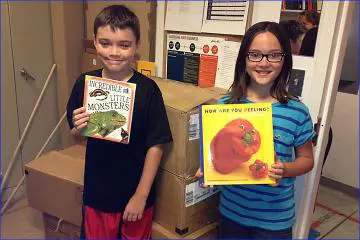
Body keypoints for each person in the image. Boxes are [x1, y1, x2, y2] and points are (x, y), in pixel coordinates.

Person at [196, 21, 315, 239]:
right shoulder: (225, 106)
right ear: (244, 59)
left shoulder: (297, 111)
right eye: (255, 55)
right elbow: (216, 154)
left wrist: (285, 169)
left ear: (284, 59)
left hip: (275, 220)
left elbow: (307, 159)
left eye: (274, 55)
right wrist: (207, 170)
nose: (264, 62)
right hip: (232, 213)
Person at [66, 5, 173, 239]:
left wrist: (141, 195)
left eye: (124, 45)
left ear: (137, 45)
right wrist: (79, 128)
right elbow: (76, 134)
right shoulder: (84, 83)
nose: (114, 52)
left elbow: (157, 144)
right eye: (105, 43)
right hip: (98, 193)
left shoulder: (148, 90)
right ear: (94, 42)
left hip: (135, 194)